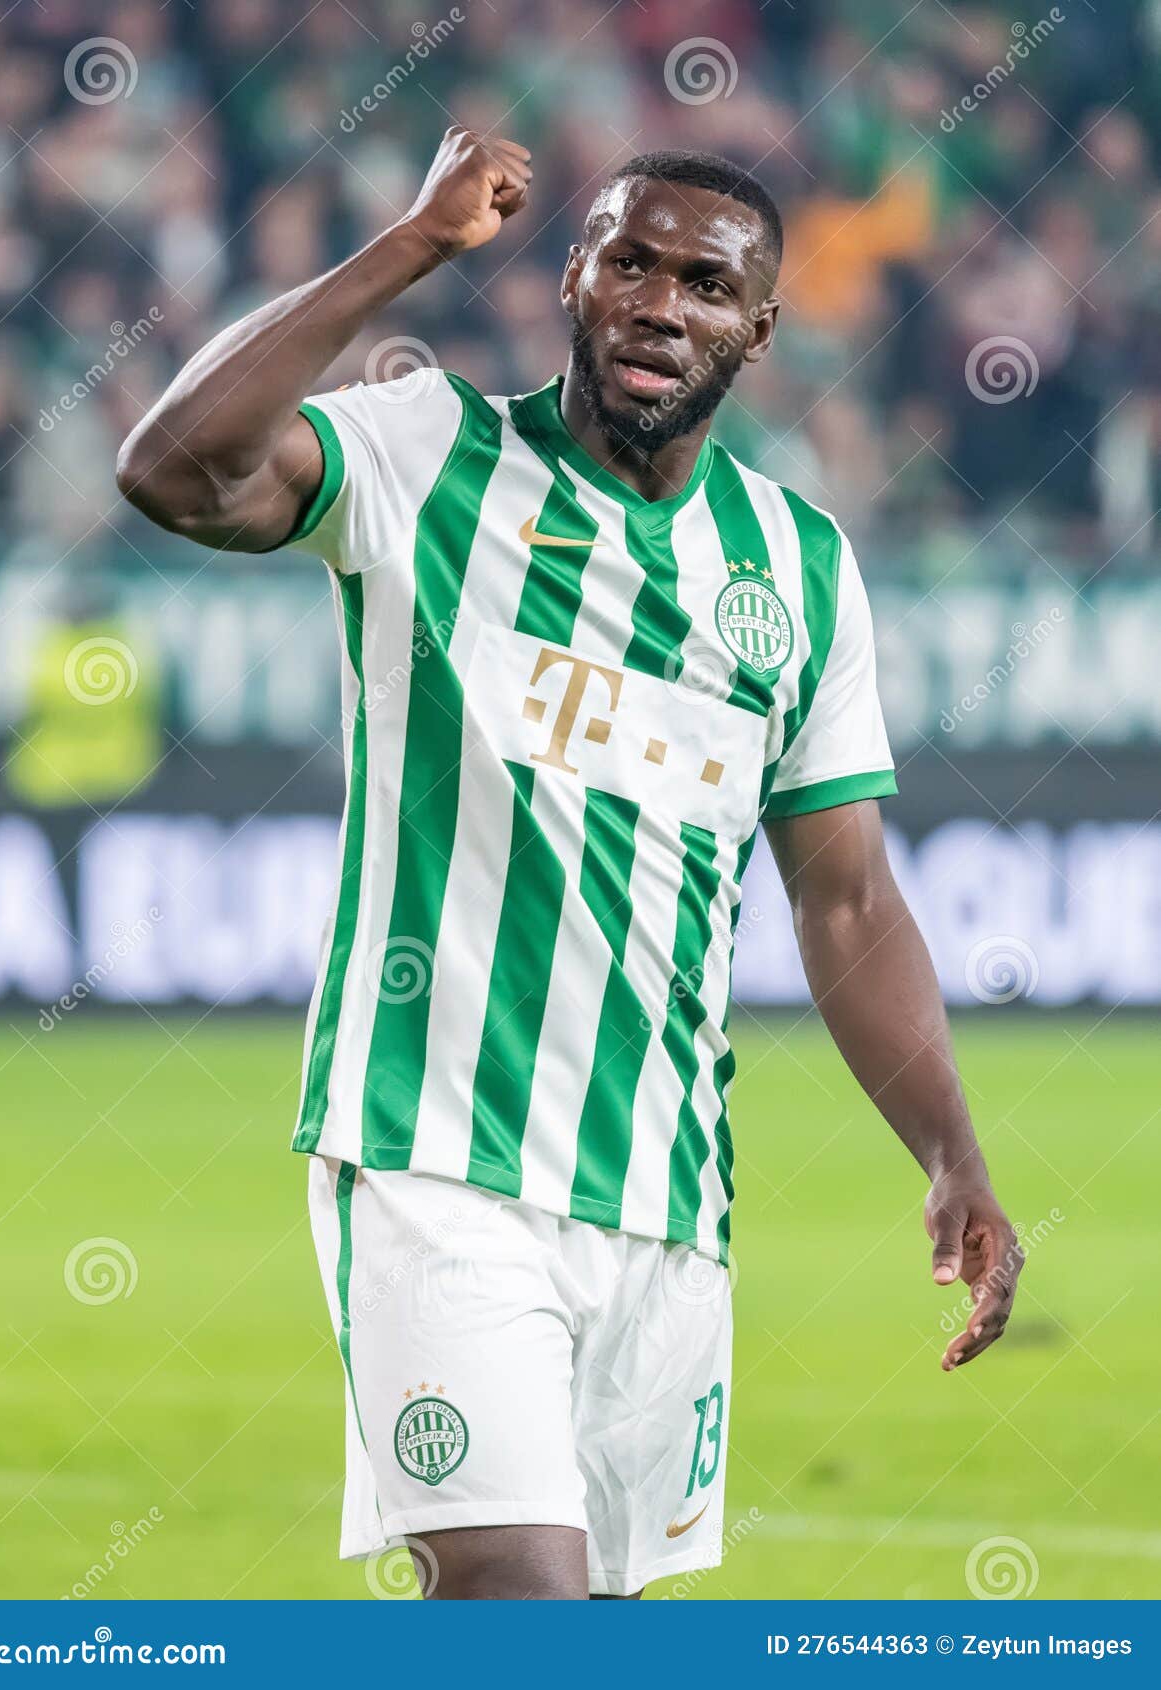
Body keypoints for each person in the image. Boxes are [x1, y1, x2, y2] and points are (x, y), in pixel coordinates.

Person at [117, 128, 1023, 1601]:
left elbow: (845, 894)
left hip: (669, 1196)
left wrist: (951, 1152)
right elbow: (173, 467)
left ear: (759, 328)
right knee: (515, 1595)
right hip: (435, 1153)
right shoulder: (428, 454)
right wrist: (412, 240)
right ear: (575, 281)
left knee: (595, 1624)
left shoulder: (795, 568)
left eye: (706, 284)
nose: (663, 303)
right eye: (633, 264)